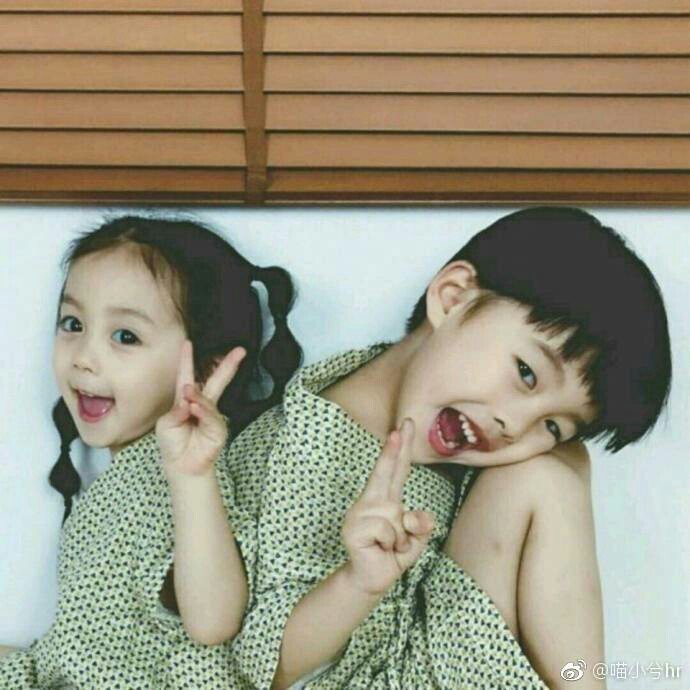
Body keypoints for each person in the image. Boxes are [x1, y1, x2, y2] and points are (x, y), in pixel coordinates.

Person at [183, 206, 669, 689]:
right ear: (453, 297)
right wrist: (358, 583)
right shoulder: (311, 450)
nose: (514, 426)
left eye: (553, 424)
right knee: (544, 476)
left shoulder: (434, 416)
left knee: (563, 460)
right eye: (526, 373)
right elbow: (262, 665)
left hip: (426, 654)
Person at [0, 215, 302, 689]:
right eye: (73, 324)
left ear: (205, 372)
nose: (83, 357)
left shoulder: (186, 475)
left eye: (126, 336)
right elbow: (82, 654)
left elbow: (212, 623)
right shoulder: (123, 480)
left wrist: (192, 478)